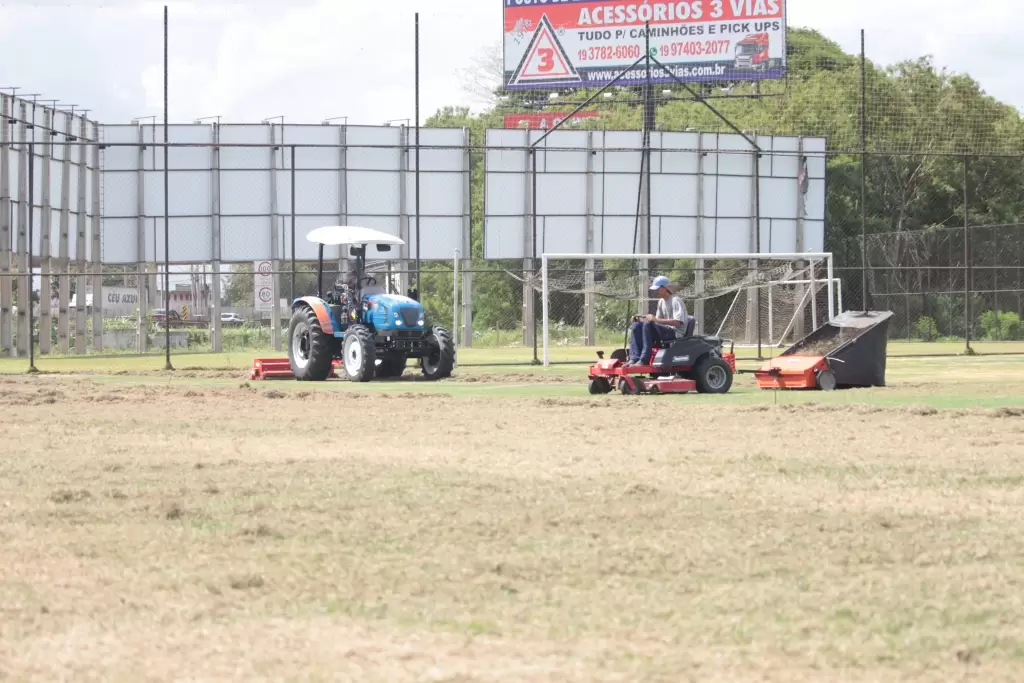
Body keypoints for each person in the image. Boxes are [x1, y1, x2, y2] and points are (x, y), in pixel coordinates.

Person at [628, 275, 689, 365]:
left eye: (657, 288)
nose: (655, 291)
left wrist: (654, 319)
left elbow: (677, 322)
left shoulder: (676, 300)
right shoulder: (661, 301)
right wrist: (640, 318)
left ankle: (644, 359)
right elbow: (655, 321)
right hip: (665, 330)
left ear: (665, 288)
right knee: (637, 324)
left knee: (647, 324)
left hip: (675, 333)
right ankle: (634, 358)